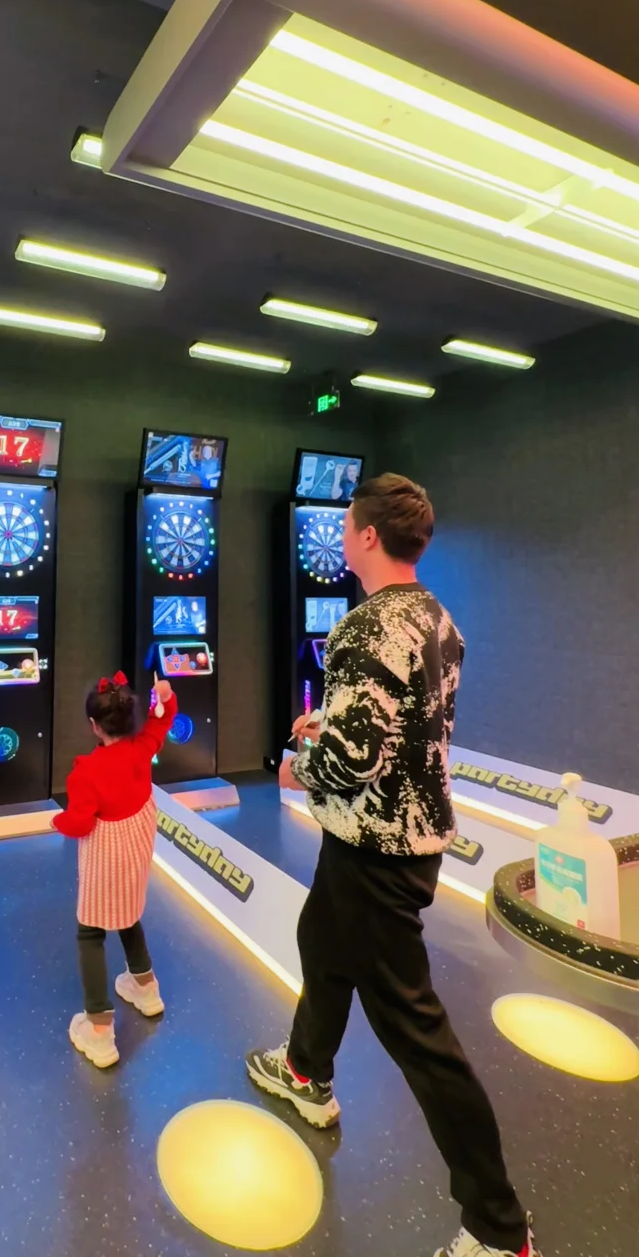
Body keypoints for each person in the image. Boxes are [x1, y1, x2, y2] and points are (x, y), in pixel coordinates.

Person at [246, 474, 538, 1257]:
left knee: (419, 1036)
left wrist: (297, 767)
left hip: (375, 850)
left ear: (369, 536)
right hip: (399, 839)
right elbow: (402, 726)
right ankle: (305, 1072)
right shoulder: (437, 618)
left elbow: (354, 759)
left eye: (347, 525)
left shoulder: (364, 626)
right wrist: (329, 722)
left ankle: (499, 1228)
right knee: (321, 942)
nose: (341, 536)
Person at [52, 671, 176, 1068]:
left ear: (94, 725)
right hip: (137, 852)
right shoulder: (143, 748)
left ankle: (100, 1028)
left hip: (105, 858)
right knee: (128, 912)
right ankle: (146, 986)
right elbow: (163, 718)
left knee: (90, 931)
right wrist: (165, 696)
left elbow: (79, 823)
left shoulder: (86, 771)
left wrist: (55, 821)